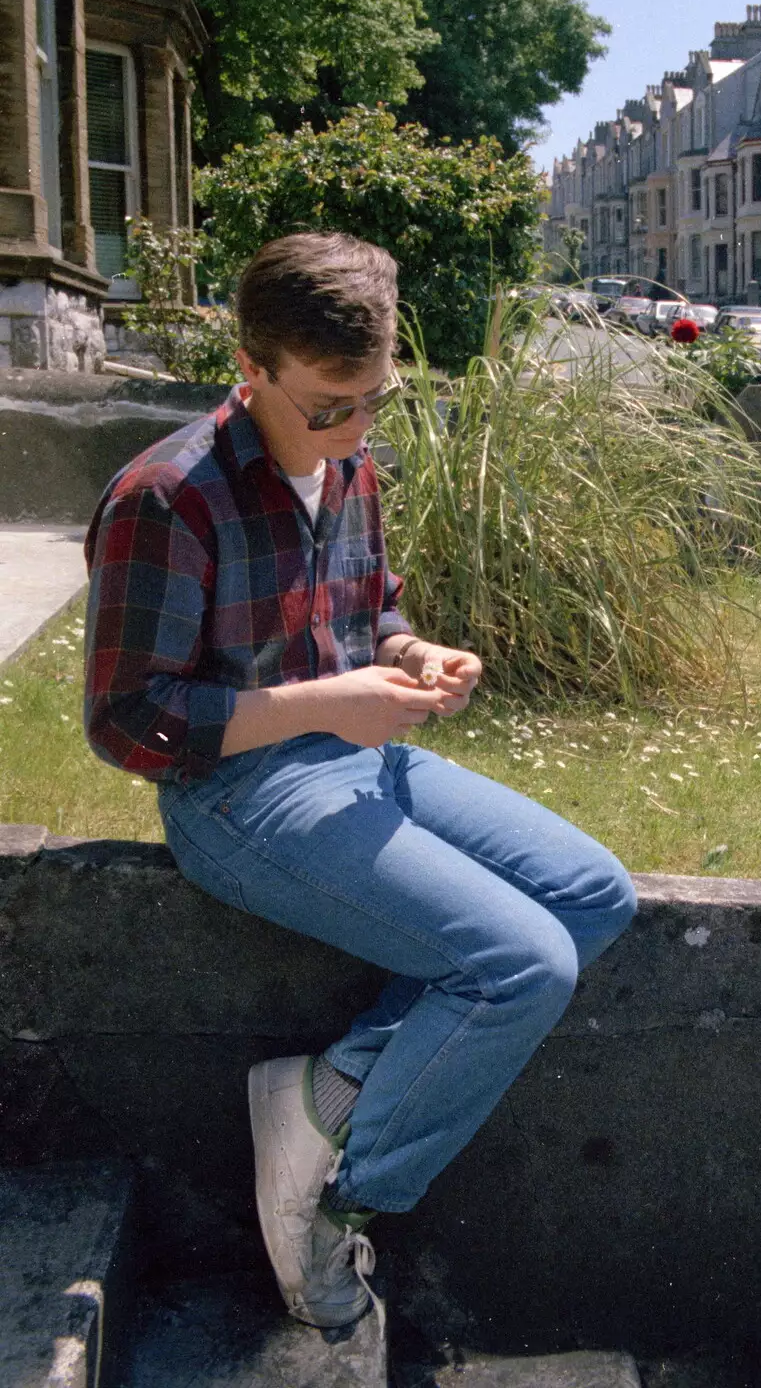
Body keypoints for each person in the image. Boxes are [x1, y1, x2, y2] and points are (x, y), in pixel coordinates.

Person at [83, 233, 638, 1328]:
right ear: (251, 366)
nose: (350, 427)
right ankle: (341, 1201)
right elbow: (127, 721)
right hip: (237, 797)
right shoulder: (166, 496)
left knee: (594, 895)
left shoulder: (351, 467)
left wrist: (411, 653)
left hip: (357, 758)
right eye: (327, 404)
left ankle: (324, 1094)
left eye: (372, 400)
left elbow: (367, 607)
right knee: (519, 967)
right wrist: (325, 707)